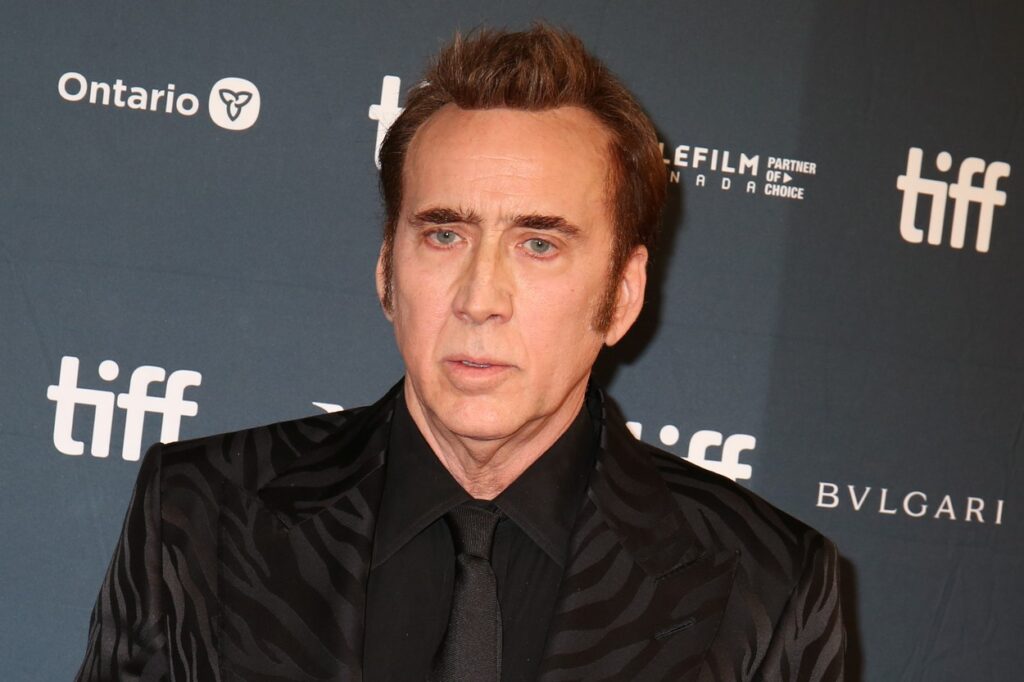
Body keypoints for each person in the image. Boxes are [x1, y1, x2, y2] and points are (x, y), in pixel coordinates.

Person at [76, 25, 844, 682]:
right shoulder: (199, 513)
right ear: (387, 270)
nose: (481, 298)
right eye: (445, 235)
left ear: (622, 294)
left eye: (539, 244)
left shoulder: (769, 585)